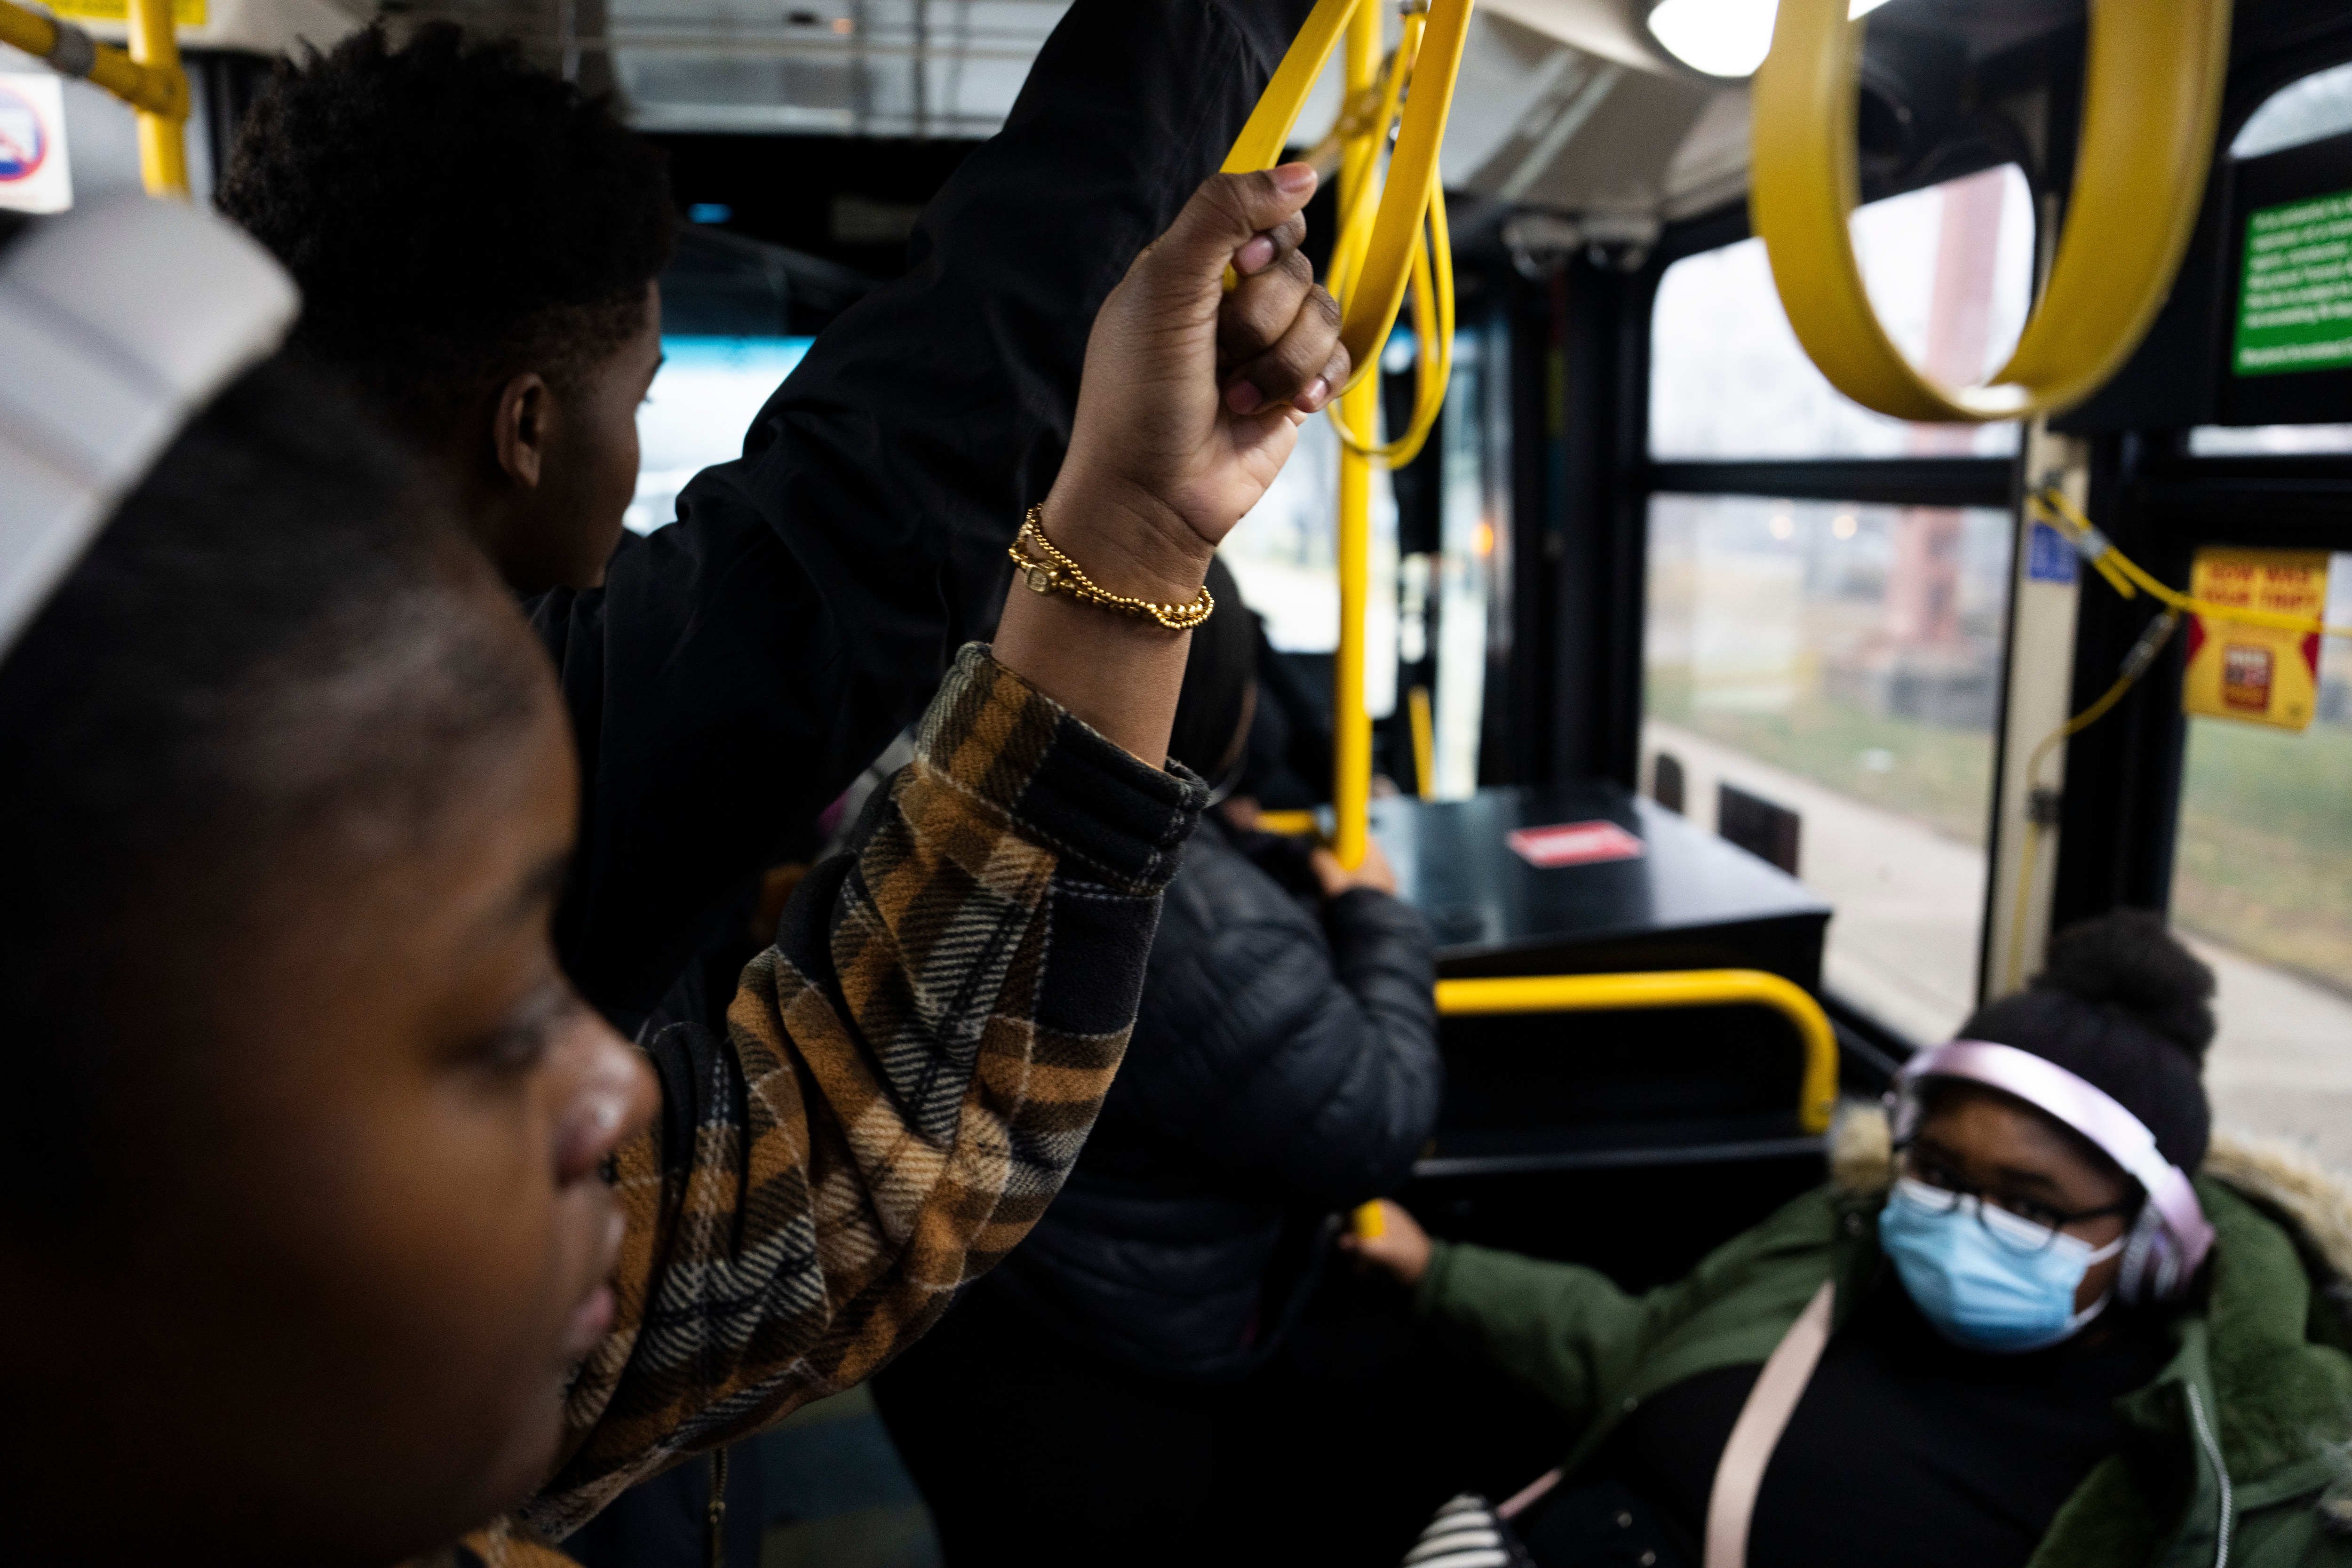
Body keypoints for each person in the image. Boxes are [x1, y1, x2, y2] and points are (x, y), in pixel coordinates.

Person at [0, 150, 1343, 1568]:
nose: (618, 1078)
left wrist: (1136, 525)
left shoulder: (256, 1354)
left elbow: (855, 1156)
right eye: (488, 1026)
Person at [215, 0, 1332, 1043]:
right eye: (640, 398)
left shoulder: (199, 666)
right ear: (528, 429)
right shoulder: (453, 733)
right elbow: (887, 498)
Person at [1349, 910, 2352, 1568]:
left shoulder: (2206, 1462)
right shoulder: (1834, 1249)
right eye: (1940, 1171)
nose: (1960, 1216)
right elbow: (1638, 1341)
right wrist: (1437, 1267)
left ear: (2144, 1241)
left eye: (2030, 1204)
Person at [871, 557, 1444, 1567]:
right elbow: (1375, 1117)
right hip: (1094, 1366)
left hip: (971, 1317)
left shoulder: (951, 814)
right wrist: (1378, 918)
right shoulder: (1200, 926)